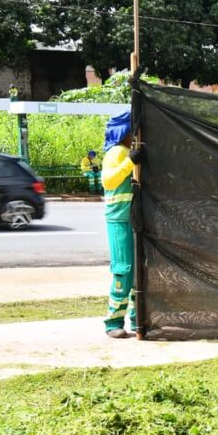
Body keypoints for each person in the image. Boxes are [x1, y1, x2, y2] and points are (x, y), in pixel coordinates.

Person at [100, 110, 145, 338]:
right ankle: (113, 322)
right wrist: (130, 162)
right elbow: (108, 180)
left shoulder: (129, 152)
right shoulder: (117, 152)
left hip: (134, 219)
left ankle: (139, 319)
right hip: (119, 218)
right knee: (124, 270)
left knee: (138, 271)